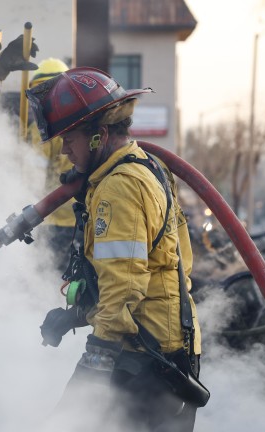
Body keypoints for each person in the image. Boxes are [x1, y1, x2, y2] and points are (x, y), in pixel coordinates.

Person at [29, 67, 205, 431]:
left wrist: (96, 361)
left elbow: (125, 286)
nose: (64, 151)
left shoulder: (119, 187)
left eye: (71, 140)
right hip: (159, 351)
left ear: (99, 136)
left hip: (145, 360)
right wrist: (78, 315)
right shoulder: (144, 167)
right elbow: (168, 265)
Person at [27, 58, 76, 271]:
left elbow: (33, 176)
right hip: (78, 216)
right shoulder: (78, 120)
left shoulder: (42, 127)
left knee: (51, 279)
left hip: (52, 218)